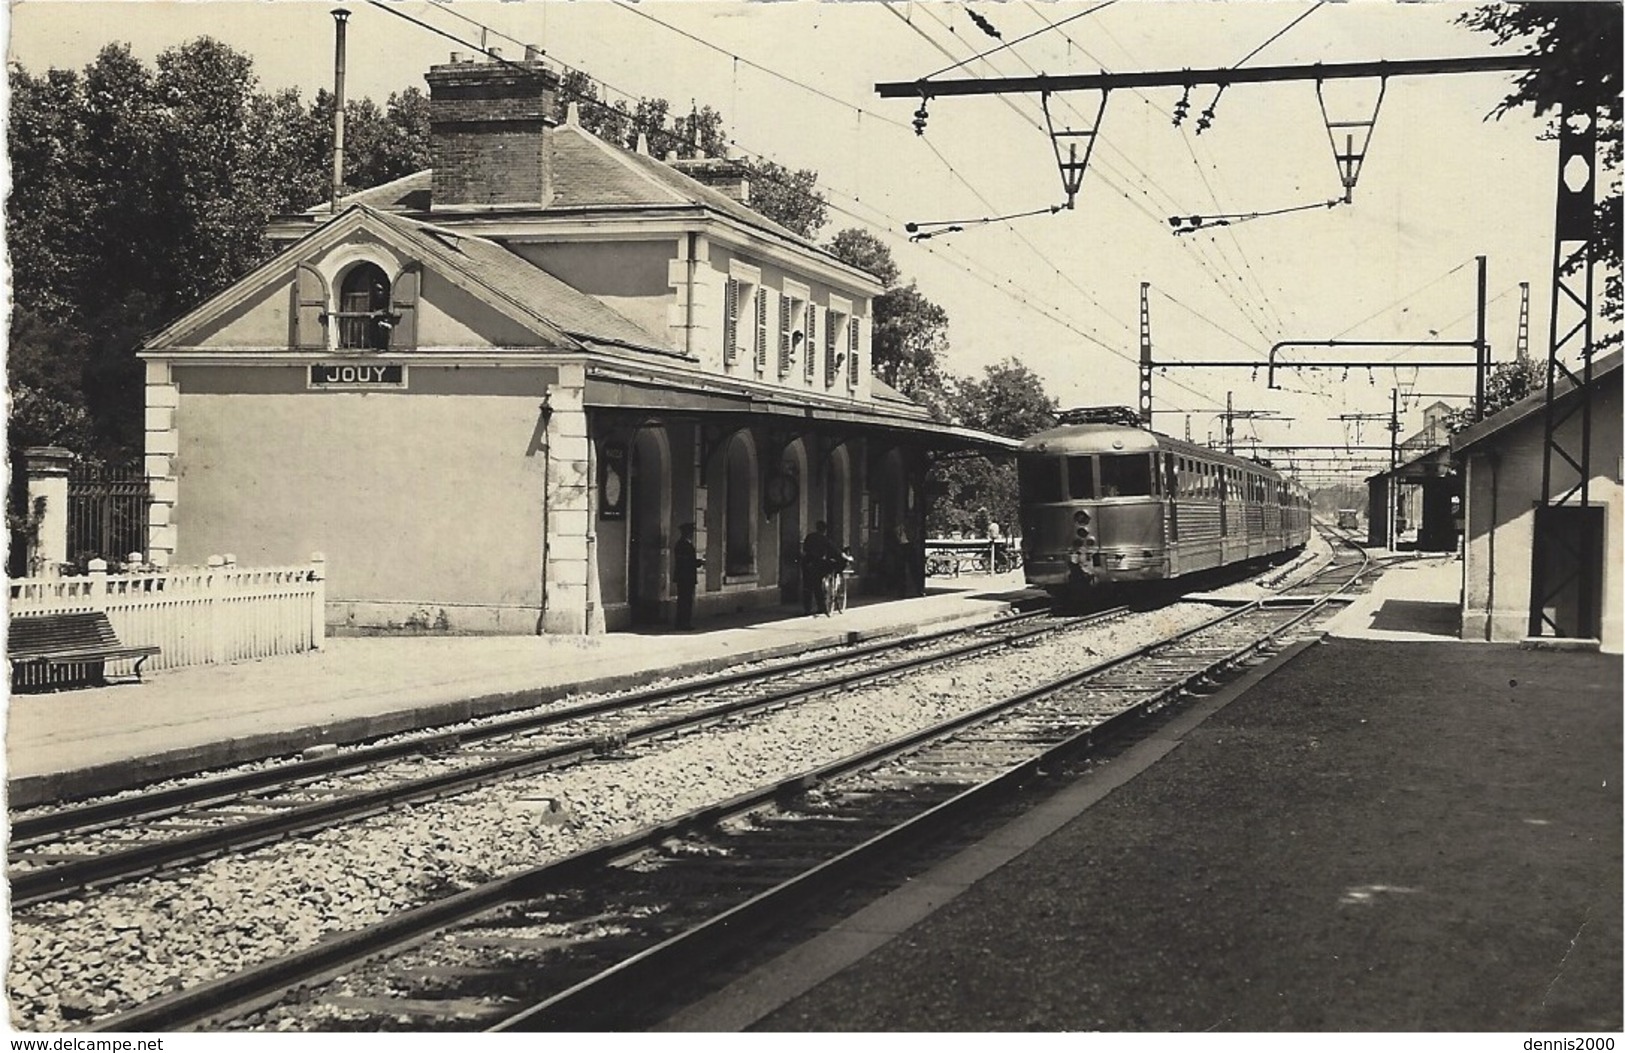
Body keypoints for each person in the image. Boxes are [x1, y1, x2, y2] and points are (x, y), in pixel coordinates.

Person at [801, 521, 839, 615]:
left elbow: (804, 549)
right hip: (818, 563)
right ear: (824, 530)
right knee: (817, 586)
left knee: (807, 586)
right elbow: (834, 549)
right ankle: (821, 607)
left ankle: (807, 609)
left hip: (807, 562)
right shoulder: (824, 539)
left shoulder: (810, 537)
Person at [673, 522, 703, 630]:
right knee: (685, 601)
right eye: (690, 532)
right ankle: (683, 623)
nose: (691, 534)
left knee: (685, 600)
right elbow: (686, 562)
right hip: (685, 577)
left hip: (685, 577)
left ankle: (683, 622)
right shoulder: (682, 545)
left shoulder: (684, 544)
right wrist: (697, 563)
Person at [826, 546, 856, 614]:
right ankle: (833, 589)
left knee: (833, 576)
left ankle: (831, 587)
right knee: (836, 575)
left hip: (832, 565)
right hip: (837, 567)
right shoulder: (842, 555)